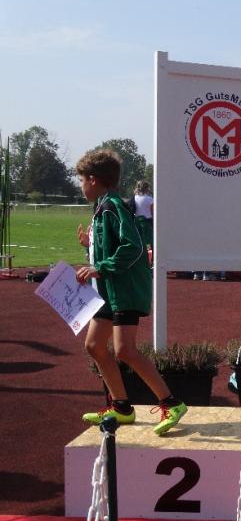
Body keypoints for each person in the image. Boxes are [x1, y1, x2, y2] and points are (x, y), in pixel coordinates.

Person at [74, 149, 187, 435]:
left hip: (123, 291)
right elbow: (111, 245)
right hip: (108, 291)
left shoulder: (113, 206)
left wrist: (100, 267)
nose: (81, 186)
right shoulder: (102, 207)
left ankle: (171, 403)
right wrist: (90, 245)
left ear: (93, 179)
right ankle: (122, 407)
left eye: (81, 180)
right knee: (94, 345)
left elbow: (133, 246)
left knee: (124, 350)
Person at [133, 180, 154, 257]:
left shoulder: (134, 198)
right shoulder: (149, 199)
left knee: (139, 242)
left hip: (137, 223)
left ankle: (140, 257)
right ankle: (152, 258)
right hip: (147, 222)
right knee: (151, 242)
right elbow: (153, 213)